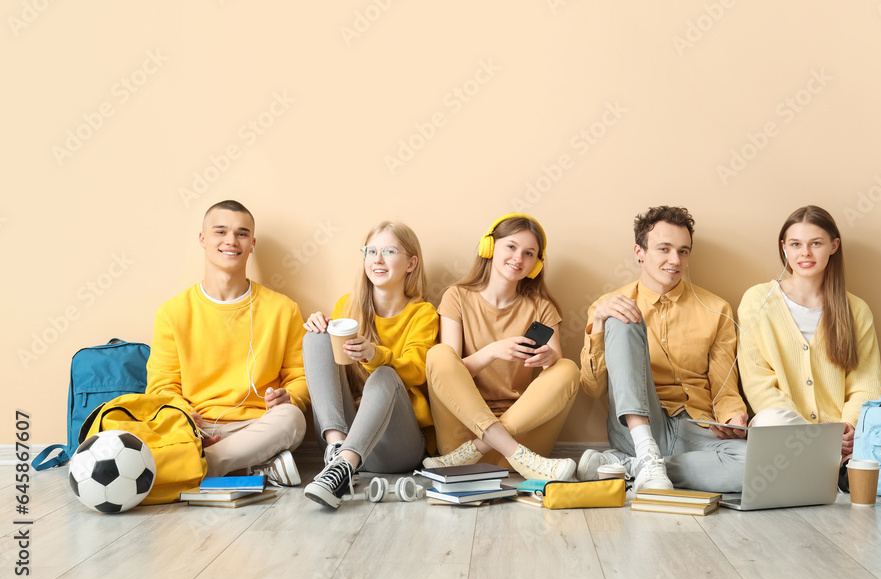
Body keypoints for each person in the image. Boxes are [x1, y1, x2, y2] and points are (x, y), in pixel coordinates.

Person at [577, 205, 748, 493]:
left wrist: (734, 418)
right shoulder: (609, 305)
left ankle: (630, 467)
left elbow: (724, 388)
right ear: (639, 252)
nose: (675, 260)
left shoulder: (717, 309)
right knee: (623, 315)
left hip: (696, 427)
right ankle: (643, 452)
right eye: (664, 249)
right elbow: (593, 389)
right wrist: (598, 321)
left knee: (759, 467)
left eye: (683, 251)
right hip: (637, 426)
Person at [146, 200, 309, 486]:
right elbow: (161, 387)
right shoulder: (171, 313)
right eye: (220, 232)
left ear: (252, 244)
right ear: (203, 239)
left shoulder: (284, 310)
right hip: (197, 427)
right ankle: (254, 467)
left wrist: (289, 397)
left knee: (293, 419)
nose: (231, 241)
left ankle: (199, 466)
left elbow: (301, 378)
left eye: (242, 234)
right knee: (160, 427)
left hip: (260, 425)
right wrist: (185, 415)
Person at [424, 213, 579, 481]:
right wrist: (492, 351)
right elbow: (448, 374)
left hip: (511, 443)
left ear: (537, 264)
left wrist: (548, 356)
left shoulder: (542, 307)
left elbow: (554, 378)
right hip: (464, 434)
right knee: (438, 355)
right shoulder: (456, 297)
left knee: (567, 367)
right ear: (489, 247)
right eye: (511, 247)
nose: (519, 258)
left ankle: (485, 446)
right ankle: (499, 447)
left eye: (529, 253)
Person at [301, 222, 438, 508]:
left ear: (411, 263)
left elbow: (416, 371)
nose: (377, 259)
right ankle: (338, 457)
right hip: (347, 434)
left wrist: (375, 355)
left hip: (398, 446)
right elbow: (335, 367)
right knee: (315, 337)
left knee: (385, 374)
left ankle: (343, 465)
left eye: (389, 251)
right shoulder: (347, 307)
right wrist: (321, 328)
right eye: (371, 251)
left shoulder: (423, 313)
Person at [737, 205, 881, 457]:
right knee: (770, 420)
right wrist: (813, 436)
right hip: (784, 431)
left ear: (834, 246)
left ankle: (826, 466)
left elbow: (867, 385)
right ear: (784, 246)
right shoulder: (757, 300)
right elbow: (757, 381)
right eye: (795, 244)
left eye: (816, 243)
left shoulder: (856, 310)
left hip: (840, 438)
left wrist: (845, 426)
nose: (805, 253)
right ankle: (822, 465)